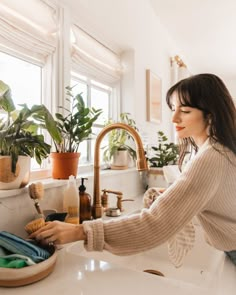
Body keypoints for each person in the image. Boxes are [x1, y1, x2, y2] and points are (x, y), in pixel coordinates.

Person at [30, 73, 236, 266]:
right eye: (173, 109)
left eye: (185, 111)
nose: (174, 119)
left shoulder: (211, 157)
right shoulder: (218, 151)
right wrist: (171, 195)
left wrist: (80, 231)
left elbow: (155, 223)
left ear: (210, 116)